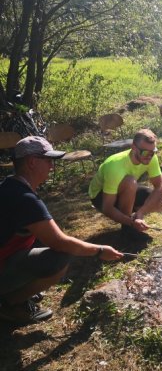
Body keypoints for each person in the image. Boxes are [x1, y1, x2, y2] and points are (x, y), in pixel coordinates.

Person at [0, 136, 123, 324]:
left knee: (43, 242)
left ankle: (16, 289)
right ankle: (10, 304)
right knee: (59, 258)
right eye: (48, 161)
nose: (52, 166)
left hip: (7, 254)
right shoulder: (25, 199)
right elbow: (60, 243)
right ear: (32, 162)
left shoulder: (9, 186)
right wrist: (99, 251)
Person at [88, 129, 162, 235]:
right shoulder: (114, 166)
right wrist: (131, 222)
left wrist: (141, 213)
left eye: (153, 152)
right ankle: (127, 227)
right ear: (134, 147)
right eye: (145, 152)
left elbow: (160, 187)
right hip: (100, 196)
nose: (149, 156)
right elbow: (107, 208)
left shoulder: (151, 157)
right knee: (130, 182)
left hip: (124, 188)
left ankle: (132, 215)